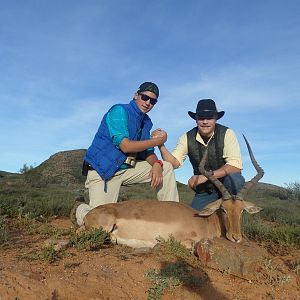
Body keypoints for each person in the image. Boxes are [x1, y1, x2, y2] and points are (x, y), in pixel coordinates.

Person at [71, 82, 179, 226]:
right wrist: (160, 141)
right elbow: (125, 146)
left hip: (125, 170)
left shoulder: (146, 122)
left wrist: (157, 164)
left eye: (153, 101)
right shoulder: (119, 111)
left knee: (166, 167)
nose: (148, 103)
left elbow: (147, 153)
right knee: (100, 224)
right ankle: (80, 209)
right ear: (136, 95)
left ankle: (172, 221)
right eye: (145, 97)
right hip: (103, 172)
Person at [154, 98, 245, 210]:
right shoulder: (186, 137)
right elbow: (173, 163)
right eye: (201, 117)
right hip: (205, 191)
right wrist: (160, 144)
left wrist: (206, 176)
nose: (205, 121)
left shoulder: (227, 133)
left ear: (216, 118)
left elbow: (235, 166)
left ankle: (232, 212)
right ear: (196, 119)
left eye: (209, 117)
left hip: (226, 188)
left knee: (236, 179)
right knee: (194, 220)